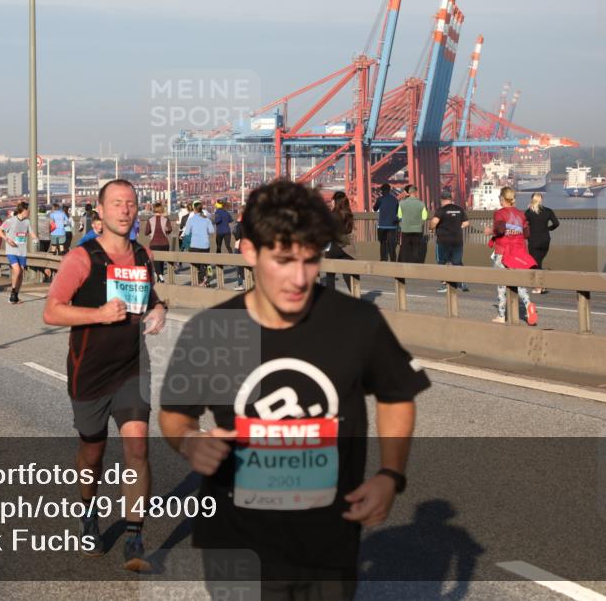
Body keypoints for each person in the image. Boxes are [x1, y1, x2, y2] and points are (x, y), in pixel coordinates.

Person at [159, 179, 429, 600]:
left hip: (328, 542)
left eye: (310, 260)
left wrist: (390, 475)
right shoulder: (213, 331)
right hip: (237, 541)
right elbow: (176, 416)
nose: (299, 278)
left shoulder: (357, 323)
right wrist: (190, 442)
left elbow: (397, 393)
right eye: (283, 260)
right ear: (249, 251)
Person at [42, 179, 167, 572]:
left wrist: (161, 308)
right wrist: (98, 315)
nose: (125, 210)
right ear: (100, 210)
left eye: (130, 203)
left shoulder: (143, 256)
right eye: (116, 203)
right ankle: (88, 515)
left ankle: (134, 534)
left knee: (137, 448)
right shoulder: (82, 258)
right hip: (89, 371)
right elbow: (52, 311)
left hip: (132, 365)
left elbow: (150, 298)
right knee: (92, 453)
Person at [486, 186, 538, 325]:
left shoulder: (500, 213)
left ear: (502, 199)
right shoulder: (521, 214)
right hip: (519, 253)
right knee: (519, 284)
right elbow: (527, 234)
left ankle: (502, 316)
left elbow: (501, 229)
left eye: (499, 198)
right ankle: (528, 305)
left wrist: (490, 231)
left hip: (503, 252)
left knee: (501, 285)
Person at [430, 192, 470, 293]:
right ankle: (463, 282)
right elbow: (466, 223)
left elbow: (434, 222)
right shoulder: (459, 209)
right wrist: (457, 227)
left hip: (443, 241)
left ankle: (445, 285)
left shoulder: (441, 210)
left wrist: (431, 227)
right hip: (457, 241)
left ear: (442, 200)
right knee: (457, 262)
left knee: (442, 262)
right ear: (451, 199)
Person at [0, 202, 38, 303]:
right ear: (24, 210)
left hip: (22, 251)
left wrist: (35, 239)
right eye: (28, 209)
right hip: (11, 250)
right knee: (17, 270)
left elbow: (31, 233)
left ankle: (15, 295)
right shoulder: (11, 221)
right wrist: (7, 239)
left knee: (21, 274)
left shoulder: (27, 222)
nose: (29, 211)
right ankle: (12, 291)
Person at [524, 193, 560, 293]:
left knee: (535, 263)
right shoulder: (548, 211)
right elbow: (556, 223)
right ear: (541, 200)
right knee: (539, 262)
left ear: (532, 200)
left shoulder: (528, 212)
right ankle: (541, 285)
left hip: (534, 240)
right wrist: (548, 228)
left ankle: (539, 287)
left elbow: (523, 225)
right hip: (545, 240)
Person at [324, 190, 356, 290]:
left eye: (332, 200)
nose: (331, 202)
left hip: (332, 247)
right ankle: (355, 297)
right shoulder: (348, 214)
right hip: (346, 247)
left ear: (335, 201)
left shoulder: (331, 215)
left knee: (330, 275)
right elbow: (349, 230)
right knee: (347, 274)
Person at [181, 201, 214, 286]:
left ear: (194, 209)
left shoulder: (191, 220)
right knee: (205, 262)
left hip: (195, 245)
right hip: (205, 245)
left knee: (196, 263)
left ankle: (202, 278)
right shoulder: (207, 219)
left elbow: (187, 232)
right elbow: (212, 231)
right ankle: (208, 274)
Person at [397, 185, 427, 263]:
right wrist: (420, 224)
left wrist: (402, 224)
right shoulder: (421, 204)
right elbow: (424, 216)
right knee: (416, 249)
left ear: (409, 193)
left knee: (405, 249)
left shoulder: (402, 203)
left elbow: (399, 216)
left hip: (405, 230)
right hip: (417, 230)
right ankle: (415, 266)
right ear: (416, 193)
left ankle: (404, 266)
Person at [145, 202, 172, 282]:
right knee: (161, 262)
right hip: (164, 244)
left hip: (154, 244)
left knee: (156, 262)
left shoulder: (150, 220)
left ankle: (160, 277)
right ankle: (160, 278)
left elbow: (146, 232)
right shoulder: (166, 219)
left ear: (154, 210)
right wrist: (165, 230)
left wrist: (152, 231)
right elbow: (169, 229)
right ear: (161, 210)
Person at [373, 183, 400, 262]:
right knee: (392, 245)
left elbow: (375, 209)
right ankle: (393, 260)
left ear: (382, 191)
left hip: (382, 226)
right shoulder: (395, 199)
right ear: (389, 190)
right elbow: (397, 211)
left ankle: (383, 259)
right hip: (392, 226)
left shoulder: (380, 199)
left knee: (382, 243)